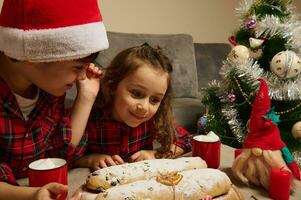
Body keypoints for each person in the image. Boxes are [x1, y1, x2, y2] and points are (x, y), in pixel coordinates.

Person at [0, 0, 108, 199]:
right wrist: (31, 195)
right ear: (35, 53)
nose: (82, 76)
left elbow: (62, 154)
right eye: (77, 67)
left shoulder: (48, 88)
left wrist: (86, 97)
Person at [75, 43, 192, 170]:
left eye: (154, 100)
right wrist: (92, 159)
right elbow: (65, 155)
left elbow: (187, 140)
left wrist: (156, 154)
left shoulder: (154, 119)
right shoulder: (90, 118)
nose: (145, 107)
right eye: (137, 93)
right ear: (112, 85)